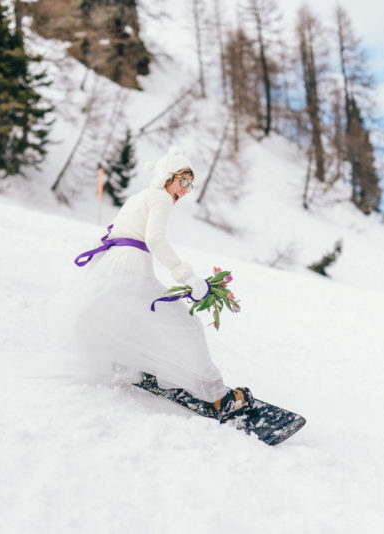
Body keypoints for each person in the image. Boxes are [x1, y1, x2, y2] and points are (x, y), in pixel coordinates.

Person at [69, 145, 251, 417]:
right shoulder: (161, 199)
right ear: (168, 176)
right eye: (184, 181)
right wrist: (186, 275)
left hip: (113, 265)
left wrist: (98, 271)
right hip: (132, 268)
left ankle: (136, 367)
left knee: (136, 319)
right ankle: (217, 396)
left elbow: (107, 234)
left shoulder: (138, 198)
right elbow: (155, 239)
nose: (186, 189)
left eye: (191, 184)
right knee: (185, 324)